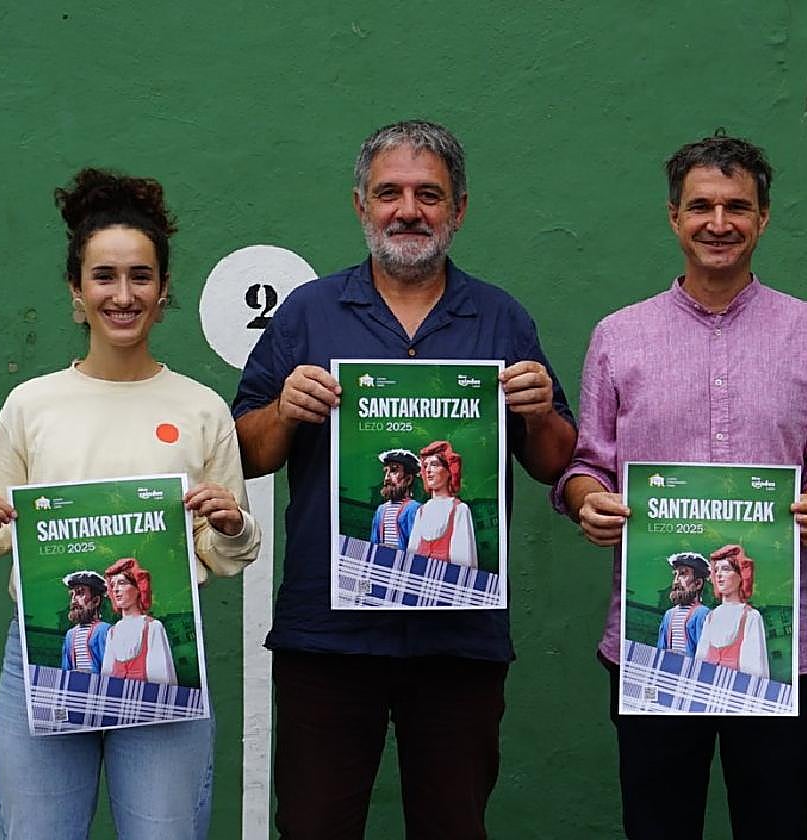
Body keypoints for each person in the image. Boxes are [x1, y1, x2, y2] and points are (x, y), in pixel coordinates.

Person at [232, 120, 576, 839]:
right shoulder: (308, 313)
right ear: (361, 205)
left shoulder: (501, 317)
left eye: (429, 194)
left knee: (452, 825)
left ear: (459, 209)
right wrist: (285, 412)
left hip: (460, 641)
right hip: (326, 636)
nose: (408, 211)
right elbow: (246, 452)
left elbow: (552, 461)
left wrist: (541, 411)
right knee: (314, 825)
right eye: (389, 193)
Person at [0, 168, 260, 840]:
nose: (123, 294)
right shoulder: (33, 404)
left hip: (163, 664)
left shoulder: (202, 409)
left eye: (140, 277)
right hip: (44, 660)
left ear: (164, 289)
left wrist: (230, 524)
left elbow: (225, 555)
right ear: (76, 291)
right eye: (104, 277)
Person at [555, 133, 807, 840]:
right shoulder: (617, 336)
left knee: (776, 823)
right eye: (701, 206)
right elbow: (586, 465)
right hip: (651, 644)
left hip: (780, 649)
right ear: (673, 217)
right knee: (660, 824)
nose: (718, 223)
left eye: (736, 207)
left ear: (764, 218)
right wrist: (585, 503)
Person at [695, 544, 768, 678]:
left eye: (726, 569)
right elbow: (700, 662)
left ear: (741, 576)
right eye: (716, 570)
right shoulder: (711, 617)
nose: (719, 575)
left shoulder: (750, 616)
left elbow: (755, 670)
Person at [101, 557, 178, 685]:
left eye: (122, 583)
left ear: (138, 588)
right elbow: (106, 678)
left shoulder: (152, 627)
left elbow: (162, 680)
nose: (115, 589)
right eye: (113, 585)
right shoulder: (112, 632)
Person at [406, 440, 478, 567]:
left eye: (434, 464)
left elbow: (463, 563)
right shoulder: (421, 511)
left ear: (449, 471)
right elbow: (411, 558)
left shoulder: (459, 510)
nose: (428, 470)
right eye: (426, 465)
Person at [655, 552, 711, 657]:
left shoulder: (703, 614)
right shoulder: (669, 615)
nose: (676, 581)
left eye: (683, 574)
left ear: (698, 583)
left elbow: (704, 653)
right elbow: (661, 648)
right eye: (676, 574)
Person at [369, 448, 421, 550]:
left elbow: (415, 547)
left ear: (408, 479)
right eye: (386, 471)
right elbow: (374, 543)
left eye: (394, 470)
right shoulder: (381, 510)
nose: (386, 478)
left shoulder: (415, 509)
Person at [60, 570, 110, 675]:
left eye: (80, 593)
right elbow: (65, 669)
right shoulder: (70, 634)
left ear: (95, 601)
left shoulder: (105, 630)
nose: (74, 600)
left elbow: (109, 668)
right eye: (72, 595)